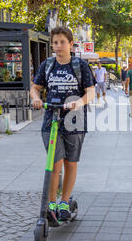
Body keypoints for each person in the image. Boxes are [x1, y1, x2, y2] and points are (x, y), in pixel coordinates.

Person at [30, 25, 95, 222]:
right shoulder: (47, 65)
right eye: (55, 43)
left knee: (70, 163)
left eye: (62, 42)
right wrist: (36, 98)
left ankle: (64, 203)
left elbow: (90, 91)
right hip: (52, 120)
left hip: (74, 120)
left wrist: (79, 102)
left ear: (70, 44)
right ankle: (51, 204)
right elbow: (35, 88)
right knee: (54, 164)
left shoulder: (80, 65)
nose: (58, 46)